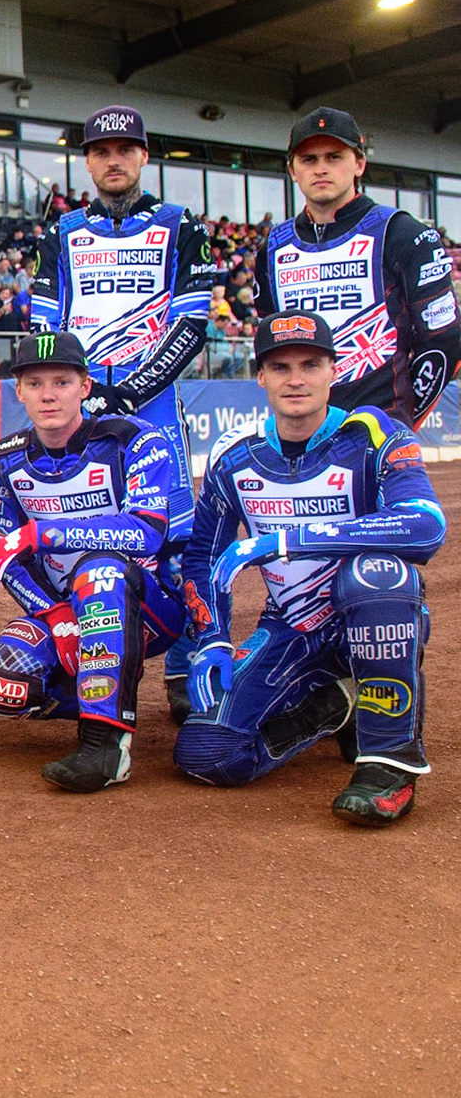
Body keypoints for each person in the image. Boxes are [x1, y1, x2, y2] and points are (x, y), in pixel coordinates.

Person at [173, 311, 444, 825]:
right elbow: (202, 556)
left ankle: (390, 764)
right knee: (206, 753)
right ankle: (334, 705)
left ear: (333, 371)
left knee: (376, 574)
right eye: (281, 367)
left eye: (310, 365)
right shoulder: (235, 456)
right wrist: (211, 639)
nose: (295, 379)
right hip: (291, 626)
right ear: (260, 377)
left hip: (376, 611)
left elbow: (426, 525)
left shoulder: (374, 434)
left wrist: (287, 541)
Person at [32, 106, 221, 720]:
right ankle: (93, 659)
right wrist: (80, 393)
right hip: (82, 409)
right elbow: (45, 329)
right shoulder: (61, 233)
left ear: (143, 156)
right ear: (87, 161)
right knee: (84, 531)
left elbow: (191, 326)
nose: (113, 160)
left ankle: (188, 666)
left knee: (177, 540)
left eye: (124, 149)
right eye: (100, 151)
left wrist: (129, 394)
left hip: (154, 407)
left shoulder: (180, 225)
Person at [0, 331, 186, 792]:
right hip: (67, 611)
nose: (48, 395)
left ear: (85, 387)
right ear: (18, 391)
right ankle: (104, 684)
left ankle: (105, 747)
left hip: (149, 607)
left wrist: (45, 533)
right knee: (2, 686)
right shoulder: (3, 460)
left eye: (62, 382)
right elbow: (5, 556)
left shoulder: (133, 439)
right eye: (35, 384)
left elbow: (147, 531)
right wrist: (54, 613)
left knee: (99, 572)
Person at [255, 107, 458, 428]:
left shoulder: (401, 232)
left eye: (334, 157)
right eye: (309, 159)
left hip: (379, 429)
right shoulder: (273, 247)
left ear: (359, 164)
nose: (321, 168)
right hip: (298, 433)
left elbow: (445, 338)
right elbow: (271, 343)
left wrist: (402, 420)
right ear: (292, 170)